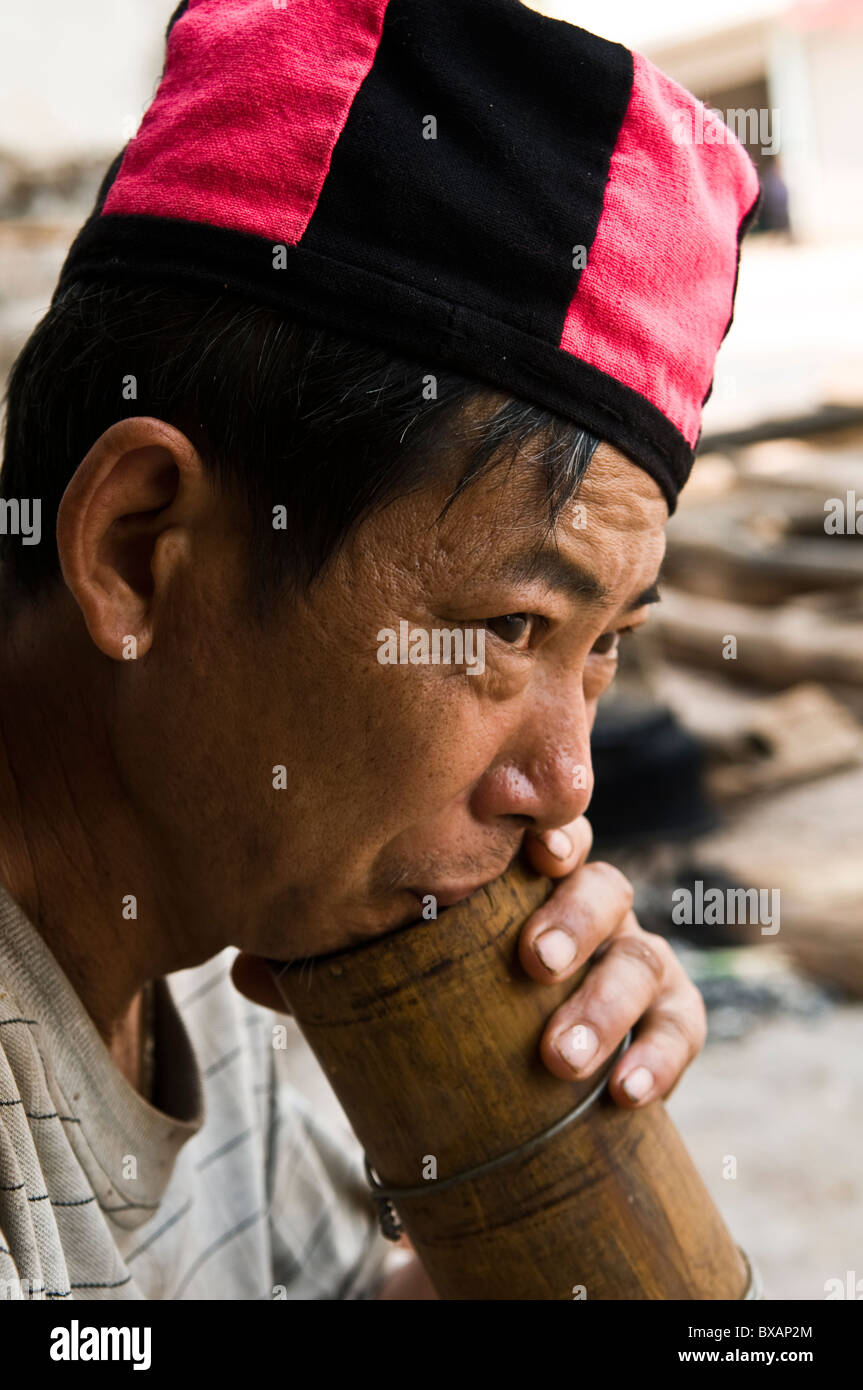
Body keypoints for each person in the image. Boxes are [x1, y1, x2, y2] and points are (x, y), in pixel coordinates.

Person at [0, 0, 759, 1300]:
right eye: (509, 628)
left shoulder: (224, 913)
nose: (569, 782)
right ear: (138, 551)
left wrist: (545, 1175)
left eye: (604, 647)